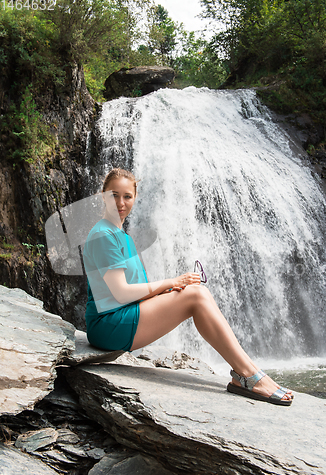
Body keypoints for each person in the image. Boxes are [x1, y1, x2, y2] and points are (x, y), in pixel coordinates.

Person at [83, 168, 293, 406]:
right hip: (108, 325)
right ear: (102, 196)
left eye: (127, 196)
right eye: (113, 195)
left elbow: (134, 289)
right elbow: (121, 292)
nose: (120, 202)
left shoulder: (122, 236)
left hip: (120, 316)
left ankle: (250, 371)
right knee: (196, 295)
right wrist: (171, 282)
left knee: (193, 293)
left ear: (135, 197)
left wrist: (170, 290)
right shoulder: (103, 235)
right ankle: (247, 376)